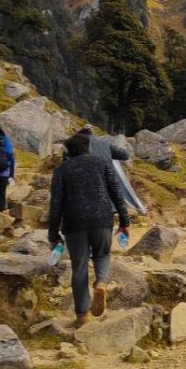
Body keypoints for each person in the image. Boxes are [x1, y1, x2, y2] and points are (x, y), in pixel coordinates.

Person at [48, 132, 130, 328]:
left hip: (74, 223)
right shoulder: (102, 164)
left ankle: (82, 315)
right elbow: (117, 193)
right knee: (102, 254)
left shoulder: (61, 170)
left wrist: (53, 235)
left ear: (69, 151)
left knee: (80, 266)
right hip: (102, 218)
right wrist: (124, 222)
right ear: (88, 147)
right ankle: (101, 282)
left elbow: (56, 203)